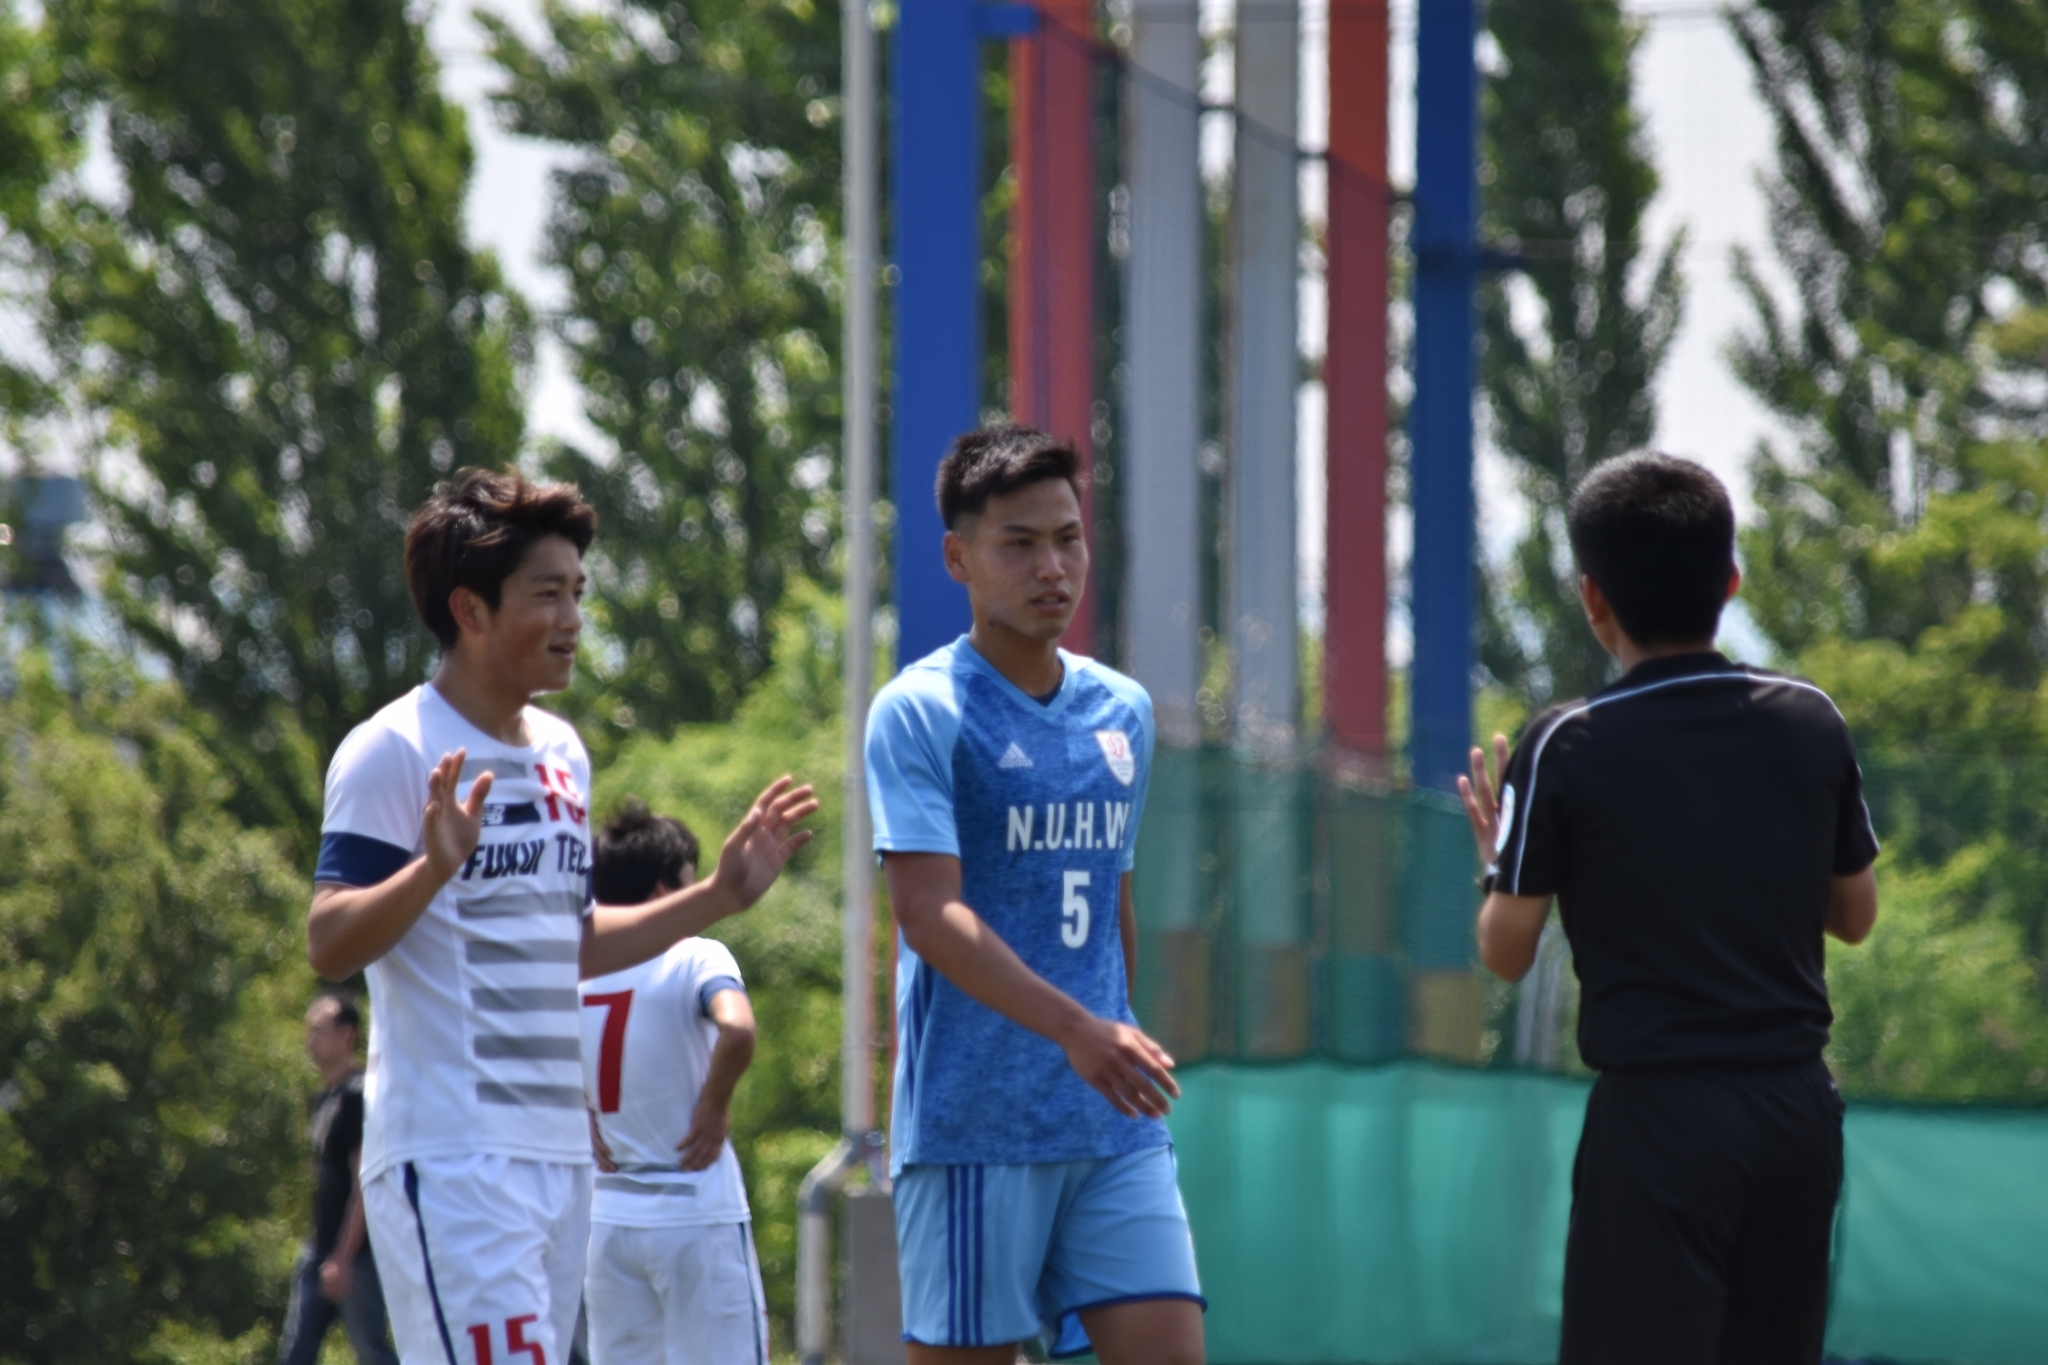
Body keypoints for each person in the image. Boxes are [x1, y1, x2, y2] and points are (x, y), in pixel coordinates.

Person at [307, 468, 816, 1365]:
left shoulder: (562, 755)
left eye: (578, 591)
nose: (574, 618)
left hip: (563, 1161)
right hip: (453, 1154)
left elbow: (570, 943)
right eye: (548, 593)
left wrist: (717, 896)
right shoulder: (392, 748)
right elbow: (329, 941)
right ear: (470, 609)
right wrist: (433, 868)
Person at [1457, 453, 1881, 1365]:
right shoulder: (1810, 718)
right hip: (1794, 1114)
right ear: (1730, 581)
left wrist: (1498, 865)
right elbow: (1855, 915)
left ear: (1591, 596)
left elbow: (1506, 953)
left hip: (1658, 1124)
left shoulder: (1565, 743)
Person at [865, 425, 1204, 1365]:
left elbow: (1112, 899)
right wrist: (1077, 1028)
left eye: (1068, 538)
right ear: (958, 558)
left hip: (1111, 1125)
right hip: (975, 1128)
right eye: (1019, 543)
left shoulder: (1124, 709)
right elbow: (927, 913)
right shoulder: (920, 709)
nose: (1051, 566)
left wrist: (1114, 1032)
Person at [576, 800, 769, 1365]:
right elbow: (738, 1028)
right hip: (695, 1211)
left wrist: (583, 1110)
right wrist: (714, 1105)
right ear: (665, 890)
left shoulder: (578, 971)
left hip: (609, 1221)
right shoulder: (694, 956)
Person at [279, 990, 400, 1365]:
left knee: (372, 1353)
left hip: (356, 1255)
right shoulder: (325, 1098)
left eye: (320, 1029)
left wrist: (343, 1257)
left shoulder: (358, 1098)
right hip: (319, 1246)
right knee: (296, 1352)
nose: (310, 1039)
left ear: (347, 1035)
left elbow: (364, 1182)